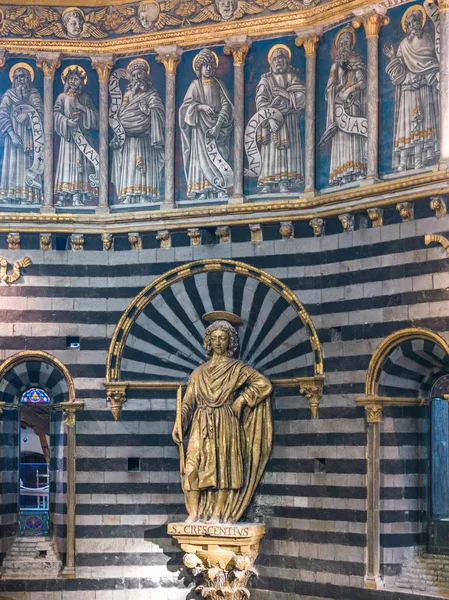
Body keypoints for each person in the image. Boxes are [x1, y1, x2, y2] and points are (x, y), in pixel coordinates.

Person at [172, 313, 272, 524]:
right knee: (191, 467)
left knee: (222, 467)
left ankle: (218, 514)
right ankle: (195, 512)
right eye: (214, 338)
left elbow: (263, 384)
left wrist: (241, 401)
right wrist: (179, 422)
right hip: (200, 421)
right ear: (208, 341)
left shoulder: (237, 368)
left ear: (230, 341)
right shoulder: (198, 373)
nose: (218, 342)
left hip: (226, 420)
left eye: (223, 338)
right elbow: (189, 401)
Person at [383, 6, 440, 172]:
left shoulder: (428, 40)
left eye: (415, 21)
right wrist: (393, 57)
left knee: (422, 124)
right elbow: (398, 74)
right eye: (409, 23)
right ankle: (403, 162)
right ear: (406, 27)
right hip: (408, 90)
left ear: (421, 23)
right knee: (407, 127)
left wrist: (424, 77)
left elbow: (433, 63)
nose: (413, 25)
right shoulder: (403, 45)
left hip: (423, 88)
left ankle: (418, 160)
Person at [179, 49, 233, 200]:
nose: (208, 68)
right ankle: (202, 190)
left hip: (218, 128)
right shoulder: (195, 85)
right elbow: (184, 109)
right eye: (205, 65)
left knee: (219, 155)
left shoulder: (219, 84)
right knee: (200, 158)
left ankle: (220, 188)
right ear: (199, 68)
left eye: (211, 65)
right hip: (199, 131)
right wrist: (200, 107)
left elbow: (226, 105)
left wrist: (218, 125)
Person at [110, 58, 165, 204]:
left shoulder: (152, 94)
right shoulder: (127, 95)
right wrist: (132, 97)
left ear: (146, 76)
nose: (137, 78)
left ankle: (145, 194)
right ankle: (128, 194)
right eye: (133, 75)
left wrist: (146, 111)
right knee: (130, 166)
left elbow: (159, 112)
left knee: (144, 166)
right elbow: (120, 114)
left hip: (145, 137)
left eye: (140, 74)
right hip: (129, 139)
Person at [255, 45, 305, 194]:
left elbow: (302, 98)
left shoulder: (292, 78)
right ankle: (268, 183)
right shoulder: (266, 80)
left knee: (286, 152)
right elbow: (260, 101)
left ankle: (285, 181)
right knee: (270, 152)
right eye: (275, 59)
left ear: (286, 60)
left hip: (288, 121)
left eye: (281, 58)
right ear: (270, 62)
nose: (278, 61)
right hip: (271, 123)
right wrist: (269, 118)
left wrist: (286, 94)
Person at [323, 27, 367, 186]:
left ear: (351, 45)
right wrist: (336, 89)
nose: (343, 46)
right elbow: (329, 88)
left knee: (353, 135)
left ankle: (356, 170)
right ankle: (341, 174)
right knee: (341, 139)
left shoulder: (357, 62)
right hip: (339, 108)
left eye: (346, 43)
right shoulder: (335, 66)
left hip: (353, 105)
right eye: (340, 43)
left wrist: (348, 90)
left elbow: (363, 82)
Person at [54, 66, 99, 207]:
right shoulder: (61, 97)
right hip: (68, 139)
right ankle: (62, 196)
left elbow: (96, 118)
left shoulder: (85, 98)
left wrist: (83, 109)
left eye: (77, 79)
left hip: (83, 139)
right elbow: (55, 114)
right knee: (66, 166)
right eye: (71, 79)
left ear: (82, 82)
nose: (73, 82)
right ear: (66, 81)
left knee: (81, 167)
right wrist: (67, 122)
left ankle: (77, 195)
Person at [0, 64, 44, 204]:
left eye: (22, 76)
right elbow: (2, 114)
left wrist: (29, 116)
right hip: (13, 139)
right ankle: (10, 195)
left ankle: (28, 197)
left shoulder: (34, 94)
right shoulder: (8, 95)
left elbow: (41, 113)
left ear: (28, 78)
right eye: (17, 77)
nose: (20, 80)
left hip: (31, 137)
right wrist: (11, 134)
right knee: (12, 164)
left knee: (28, 164)